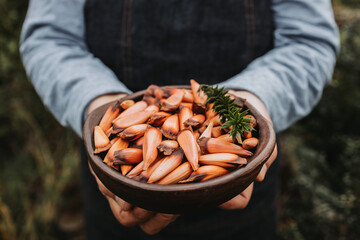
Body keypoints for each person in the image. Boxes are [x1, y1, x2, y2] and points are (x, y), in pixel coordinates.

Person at [20, 0, 339, 239]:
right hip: (119, 189)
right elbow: (49, 38)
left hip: (239, 190)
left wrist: (251, 101)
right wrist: (100, 104)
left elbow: (308, 41)